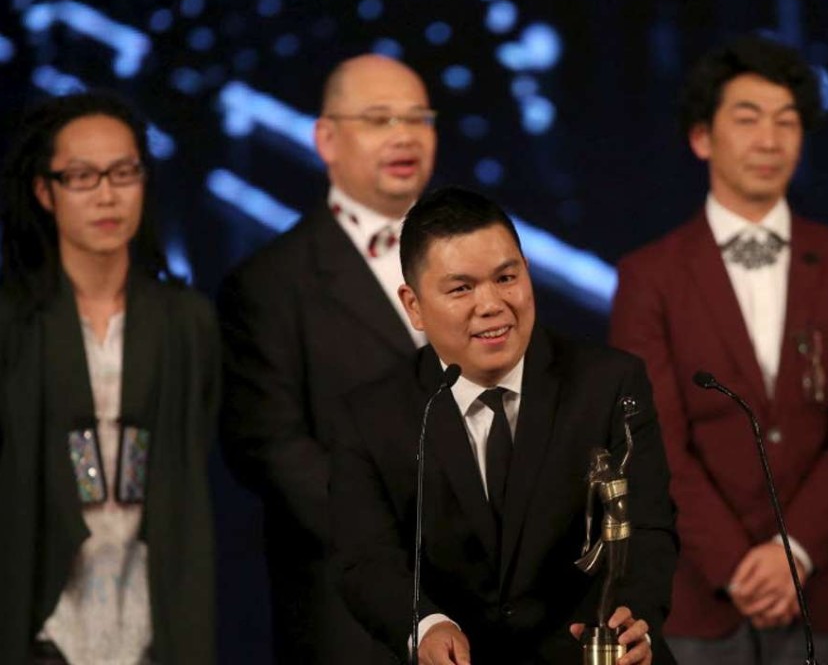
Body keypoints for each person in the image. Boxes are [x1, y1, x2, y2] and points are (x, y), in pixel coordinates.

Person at [609, 35, 828, 664]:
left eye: (787, 122)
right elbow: (651, 442)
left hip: (823, 584)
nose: (769, 141)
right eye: (748, 119)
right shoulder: (647, 276)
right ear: (701, 137)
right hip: (698, 593)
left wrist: (795, 551)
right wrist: (738, 566)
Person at [331, 186, 678, 664]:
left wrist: (633, 616)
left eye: (506, 278)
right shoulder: (371, 417)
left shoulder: (610, 384)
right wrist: (425, 627)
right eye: (461, 288)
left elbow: (648, 528)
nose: (492, 304)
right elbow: (366, 560)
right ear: (413, 305)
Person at [218, 53, 435, 662]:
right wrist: (412, 542)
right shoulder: (270, 283)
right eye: (378, 119)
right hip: (353, 615)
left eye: (419, 118)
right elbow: (272, 450)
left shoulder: (479, 255)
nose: (404, 135)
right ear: (326, 139)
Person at [0, 92, 219, 664]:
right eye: (82, 176)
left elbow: (197, 450)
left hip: (151, 606)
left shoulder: (185, 320)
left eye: (124, 172)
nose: (107, 194)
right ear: (45, 191)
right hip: (40, 605)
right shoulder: (12, 321)